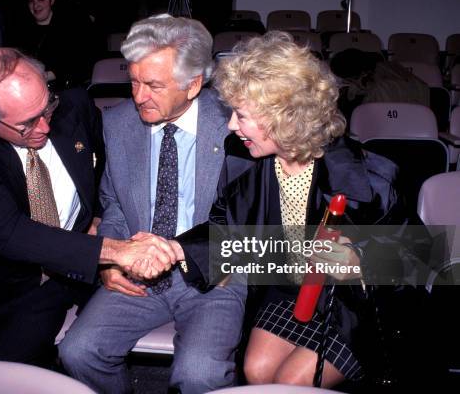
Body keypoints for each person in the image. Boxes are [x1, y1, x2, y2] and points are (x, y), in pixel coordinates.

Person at [173, 31, 435, 388]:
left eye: (242, 115)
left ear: (285, 118)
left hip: (350, 304)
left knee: (291, 381)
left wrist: (359, 262)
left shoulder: (369, 179)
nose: (232, 125)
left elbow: (417, 257)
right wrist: (175, 248)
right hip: (287, 289)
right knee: (258, 371)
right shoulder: (245, 162)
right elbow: (226, 228)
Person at [0, 47, 177, 371]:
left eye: (46, 108)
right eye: (26, 124)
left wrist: (100, 219)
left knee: (6, 369)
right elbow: (10, 234)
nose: (45, 128)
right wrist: (114, 250)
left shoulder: (74, 106)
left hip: (58, 268)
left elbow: (107, 167)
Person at [59, 14, 246, 394]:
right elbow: (112, 202)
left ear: (193, 85)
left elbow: (249, 220)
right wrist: (111, 259)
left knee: (200, 375)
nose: (139, 96)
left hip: (216, 274)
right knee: (78, 351)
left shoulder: (235, 126)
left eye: (154, 85)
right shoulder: (118, 123)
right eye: (134, 81)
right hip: (138, 270)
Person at [17, 0, 100, 90]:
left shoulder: (69, 27)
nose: (35, 5)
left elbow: (79, 63)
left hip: (65, 90)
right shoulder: (22, 31)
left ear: (52, 0)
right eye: (31, 1)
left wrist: (47, 76)